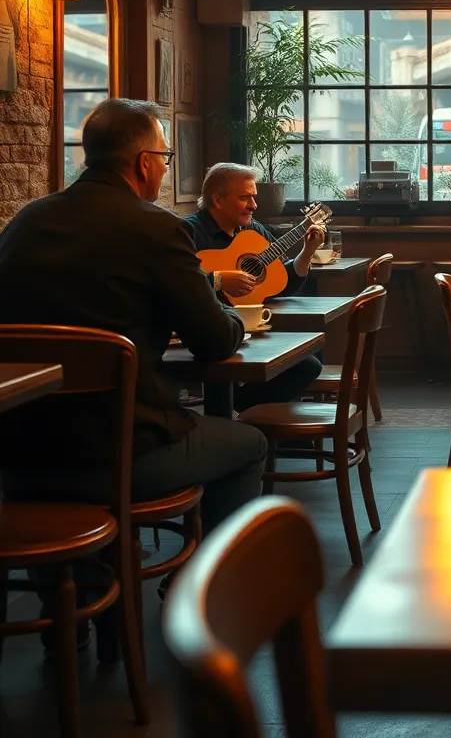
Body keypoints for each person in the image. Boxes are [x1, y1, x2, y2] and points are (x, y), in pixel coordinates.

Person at [0, 99, 268, 637]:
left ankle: (67, 616)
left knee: (59, 451)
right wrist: (233, 316)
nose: (166, 167)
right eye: (165, 158)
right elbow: (215, 341)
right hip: (122, 454)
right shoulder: (155, 228)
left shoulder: (23, 223)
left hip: (20, 457)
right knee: (248, 445)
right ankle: (196, 587)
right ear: (144, 163)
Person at [182, 162, 324, 410]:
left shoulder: (253, 230)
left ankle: (238, 412)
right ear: (217, 200)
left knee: (308, 364)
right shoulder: (188, 232)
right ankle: (231, 419)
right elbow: (177, 284)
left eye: (253, 197)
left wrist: (308, 251)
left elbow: (282, 283)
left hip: (251, 332)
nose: (254, 205)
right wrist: (218, 280)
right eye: (245, 198)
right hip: (204, 334)